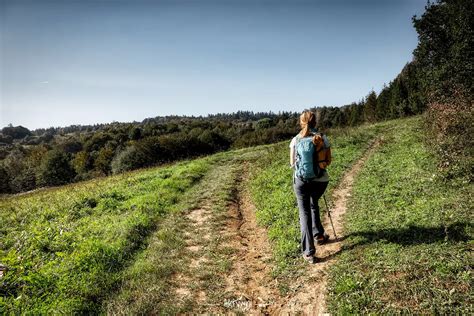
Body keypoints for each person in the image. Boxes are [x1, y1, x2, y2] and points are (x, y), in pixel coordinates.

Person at [289, 110, 331, 263]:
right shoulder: (321, 137)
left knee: (304, 212)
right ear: (315, 122)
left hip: (301, 181)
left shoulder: (295, 140)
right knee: (314, 203)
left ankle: (308, 252)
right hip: (320, 181)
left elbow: (292, 163)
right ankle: (319, 235)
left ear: (301, 122)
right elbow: (328, 161)